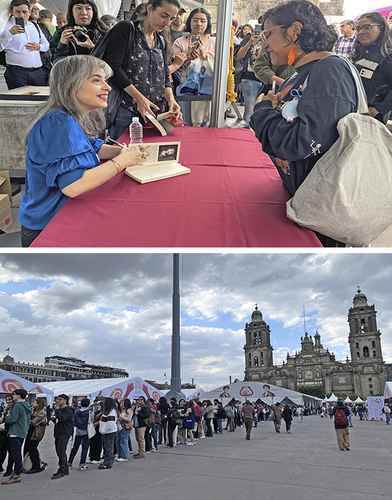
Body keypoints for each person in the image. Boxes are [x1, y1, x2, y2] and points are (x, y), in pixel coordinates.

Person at [250, 0, 359, 221]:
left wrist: (263, 111)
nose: (265, 45)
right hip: (300, 199)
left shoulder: (330, 71)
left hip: (320, 217)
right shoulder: (303, 72)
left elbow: (297, 143)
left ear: (294, 31)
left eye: (268, 34)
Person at [19, 55, 144, 247]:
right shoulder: (59, 123)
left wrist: (122, 153)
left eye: (105, 80)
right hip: (48, 227)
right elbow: (74, 185)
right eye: (96, 80)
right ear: (71, 85)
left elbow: (90, 147)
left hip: (52, 219)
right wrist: (123, 161)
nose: (107, 87)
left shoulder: (68, 116)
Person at [99, 0, 182, 139]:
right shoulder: (126, 29)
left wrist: (171, 100)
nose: (167, 22)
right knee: (123, 154)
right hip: (125, 110)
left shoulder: (160, 39)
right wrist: (139, 98)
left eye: (172, 18)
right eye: (164, 15)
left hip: (154, 114)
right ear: (150, 9)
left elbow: (164, 74)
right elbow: (113, 67)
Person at [171, 7, 215, 126]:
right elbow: (174, 67)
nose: (198, 23)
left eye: (203, 20)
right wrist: (187, 57)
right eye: (195, 20)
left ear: (208, 23)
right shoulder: (180, 42)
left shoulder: (215, 42)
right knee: (185, 123)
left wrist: (205, 56)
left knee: (207, 125)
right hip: (185, 89)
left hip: (209, 92)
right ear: (189, 21)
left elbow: (219, 67)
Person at [0, 0, 49, 89]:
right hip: (17, 73)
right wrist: (9, 33)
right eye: (18, 12)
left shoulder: (35, 25)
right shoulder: (5, 26)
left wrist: (39, 47)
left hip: (38, 72)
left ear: (29, 12)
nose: (21, 15)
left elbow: (46, 45)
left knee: (40, 100)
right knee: (19, 101)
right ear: (12, 12)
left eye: (24, 12)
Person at [352, 13, 392, 124]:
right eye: (358, 28)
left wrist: (379, 109)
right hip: (353, 111)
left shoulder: (388, 56)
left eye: (367, 27)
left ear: (381, 28)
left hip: (372, 118)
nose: (361, 32)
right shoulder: (359, 52)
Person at [1, 389, 31, 485]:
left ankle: (17, 475)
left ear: (19, 395)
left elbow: (12, 419)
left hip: (15, 432)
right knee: (17, 453)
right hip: (22, 432)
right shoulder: (26, 405)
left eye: (14, 394)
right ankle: (16, 472)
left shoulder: (18, 405)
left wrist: (6, 418)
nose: (13, 396)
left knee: (16, 454)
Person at [52, 394, 74, 479]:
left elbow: (62, 418)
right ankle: (64, 469)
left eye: (60, 399)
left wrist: (57, 410)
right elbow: (58, 420)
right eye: (57, 399)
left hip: (64, 433)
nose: (57, 401)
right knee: (59, 451)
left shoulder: (68, 410)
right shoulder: (60, 409)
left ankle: (62, 470)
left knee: (61, 452)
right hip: (58, 432)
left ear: (65, 400)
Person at [23, 398, 47, 474]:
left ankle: (36, 467)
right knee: (27, 449)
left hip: (36, 434)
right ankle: (29, 465)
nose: (32, 403)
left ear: (38, 404)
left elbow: (33, 422)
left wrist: (25, 418)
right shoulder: (34, 410)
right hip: (31, 432)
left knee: (32, 450)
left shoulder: (41, 412)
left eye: (34, 402)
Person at [68, 397, 90, 470]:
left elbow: (74, 421)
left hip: (77, 431)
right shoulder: (89, 412)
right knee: (85, 448)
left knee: (75, 447)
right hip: (86, 432)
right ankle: (82, 464)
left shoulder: (77, 411)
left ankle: (69, 462)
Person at [98, 397, 117, 469]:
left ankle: (107, 463)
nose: (103, 402)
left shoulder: (111, 411)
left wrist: (103, 430)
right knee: (108, 447)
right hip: (107, 431)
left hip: (109, 432)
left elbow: (110, 424)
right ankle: (108, 462)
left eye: (105, 401)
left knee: (108, 447)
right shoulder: (110, 410)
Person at [0, 394, 13, 474]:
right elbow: (3, 419)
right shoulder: (6, 408)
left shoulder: (14, 409)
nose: (8, 401)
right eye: (7, 400)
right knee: (2, 450)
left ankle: (9, 469)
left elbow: (12, 420)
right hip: (4, 432)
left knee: (10, 451)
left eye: (10, 399)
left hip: (10, 432)